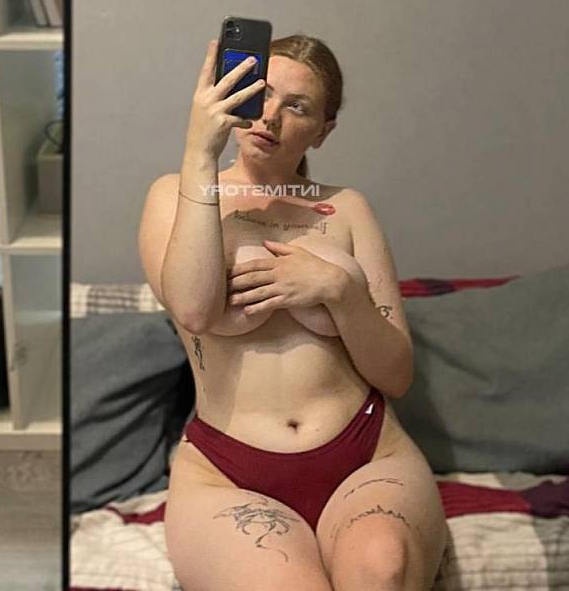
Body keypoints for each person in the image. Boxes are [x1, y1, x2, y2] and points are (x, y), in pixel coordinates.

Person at [138, 35, 448, 591]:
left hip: (367, 454)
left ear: (323, 131)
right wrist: (199, 153)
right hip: (229, 472)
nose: (270, 117)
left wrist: (339, 290)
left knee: (382, 569)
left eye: (297, 106)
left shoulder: (347, 208)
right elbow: (194, 309)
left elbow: (396, 375)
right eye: (261, 94)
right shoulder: (176, 194)